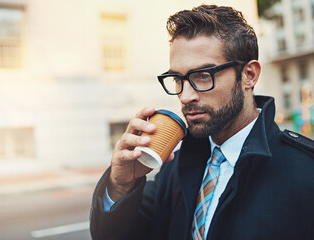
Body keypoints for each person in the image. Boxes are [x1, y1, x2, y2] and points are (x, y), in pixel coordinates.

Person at [90, 5, 314, 240]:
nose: (185, 96)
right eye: (177, 79)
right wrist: (121, 184)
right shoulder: (174, 169)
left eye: (203, 76)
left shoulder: (305, 173)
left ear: (249, 75)